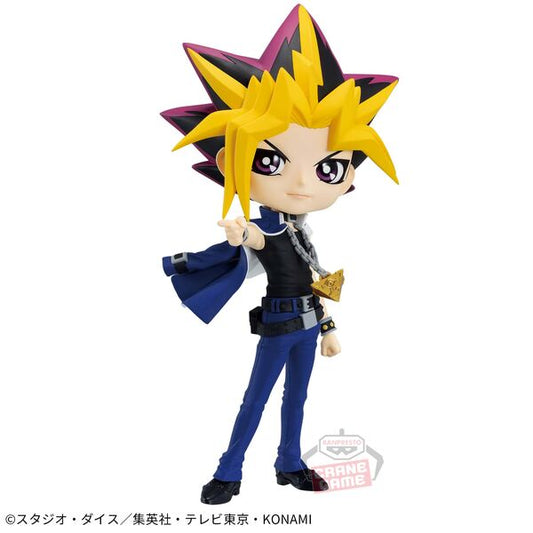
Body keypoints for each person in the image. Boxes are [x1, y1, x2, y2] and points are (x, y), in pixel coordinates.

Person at [161, 4, 398, 504]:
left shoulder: (304, 232)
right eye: (269, 159)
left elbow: (313, 277)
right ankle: (228, 472)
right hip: (278, 322)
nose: (302, 184)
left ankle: (289, 462)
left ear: (349, 176)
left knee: (298, 398)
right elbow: (253, 238)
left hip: (308, 322)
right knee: (256, 399)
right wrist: (238, 231)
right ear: (230, 161)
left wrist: (328, 329)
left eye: (329, 168)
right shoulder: (268, 226)